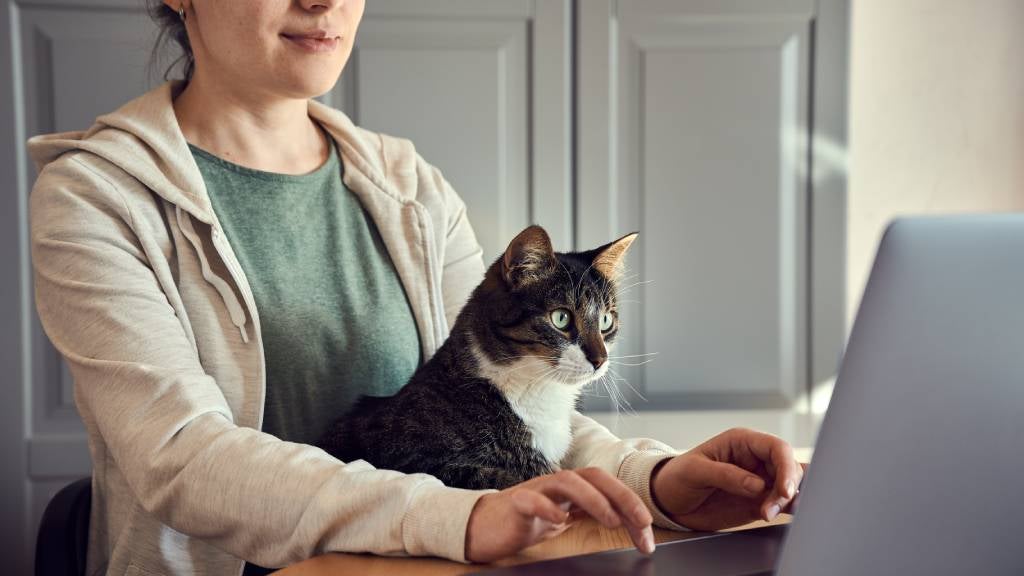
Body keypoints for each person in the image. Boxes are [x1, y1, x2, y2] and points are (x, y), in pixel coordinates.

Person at [26, 1, 805, 574]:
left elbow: (518, 410)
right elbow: (180, 458)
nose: (325, 3)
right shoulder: (97, 197)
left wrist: (658, 481)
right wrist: (459, 518)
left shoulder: (406, 184)